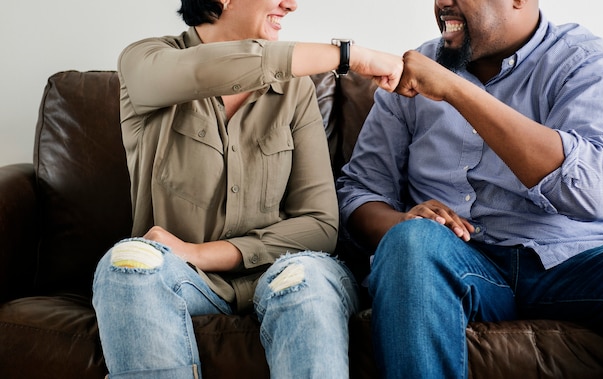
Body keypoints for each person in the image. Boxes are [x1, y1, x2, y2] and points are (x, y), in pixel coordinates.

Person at [91, 0, 403, 378]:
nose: (291, 5)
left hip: (282, 271)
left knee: (304, 278)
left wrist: (202, 253)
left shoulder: (294, 89)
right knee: (126, 264)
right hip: (184, 281)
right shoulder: (145, 62)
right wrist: (351, 57)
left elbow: (319, 225)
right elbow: (210, 67)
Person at [336, 0, 603, 377]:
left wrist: (456, 90)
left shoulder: (584, 62)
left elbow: (594, 191)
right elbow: (360, 191)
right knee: (410, 241)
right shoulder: (408, 73)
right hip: (462, 262)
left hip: (574, 261)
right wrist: (401, 222)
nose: (442, 3)